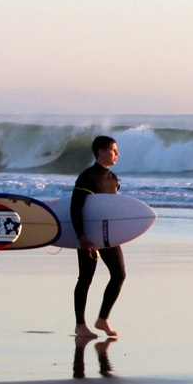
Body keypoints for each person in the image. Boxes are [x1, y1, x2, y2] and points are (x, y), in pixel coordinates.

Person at [72, 134, 125, 343]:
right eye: (114, 150)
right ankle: (80, 324)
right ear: (101, 151)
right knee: (85, 278)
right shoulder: (87, 177)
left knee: (119, 274)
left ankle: (102, 319)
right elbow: (75, 208)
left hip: (107, 235)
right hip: (88, 236)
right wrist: (81, 236)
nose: (117, 154)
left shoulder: (113, 179)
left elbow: (111, 209)